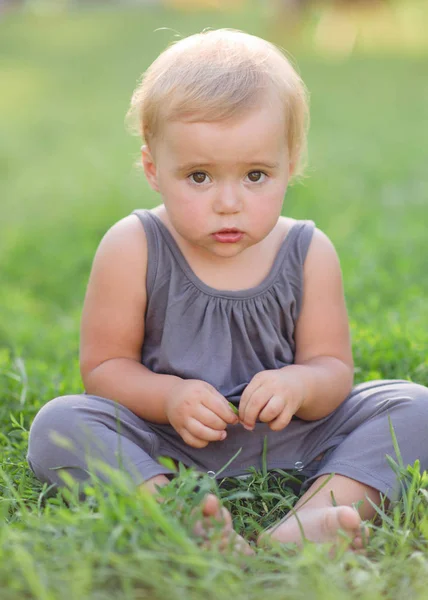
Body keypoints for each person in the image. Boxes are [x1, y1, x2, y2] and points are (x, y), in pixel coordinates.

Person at [27, 29, 428, 554]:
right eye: (199, 177)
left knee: (414, 407)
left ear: (291, 163)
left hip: (290, 436)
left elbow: (332, 371)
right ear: (153, 168)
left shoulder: (308, 250)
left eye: (256, 175)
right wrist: (169, 398)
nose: (228, 202)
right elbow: (104, 371)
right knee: (59, 424)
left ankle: (312, 520)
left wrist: (299, 385)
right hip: (166, 438)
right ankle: (180, 517)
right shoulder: (134, 246)